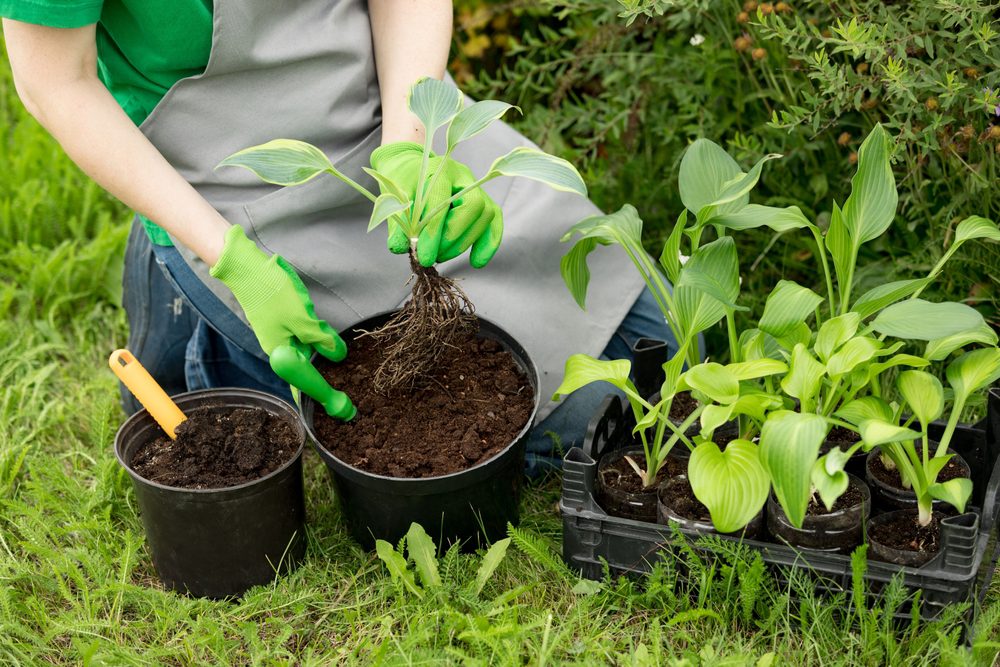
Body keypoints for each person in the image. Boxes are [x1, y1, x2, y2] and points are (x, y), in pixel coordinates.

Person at [1, 0, 674, 475]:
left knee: (668, 353)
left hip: (380, 97)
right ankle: (207, 334)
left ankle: (205, 323)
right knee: (576, 423)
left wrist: (409, 145)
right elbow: (56, 83)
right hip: (226, 177)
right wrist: (230, 257)